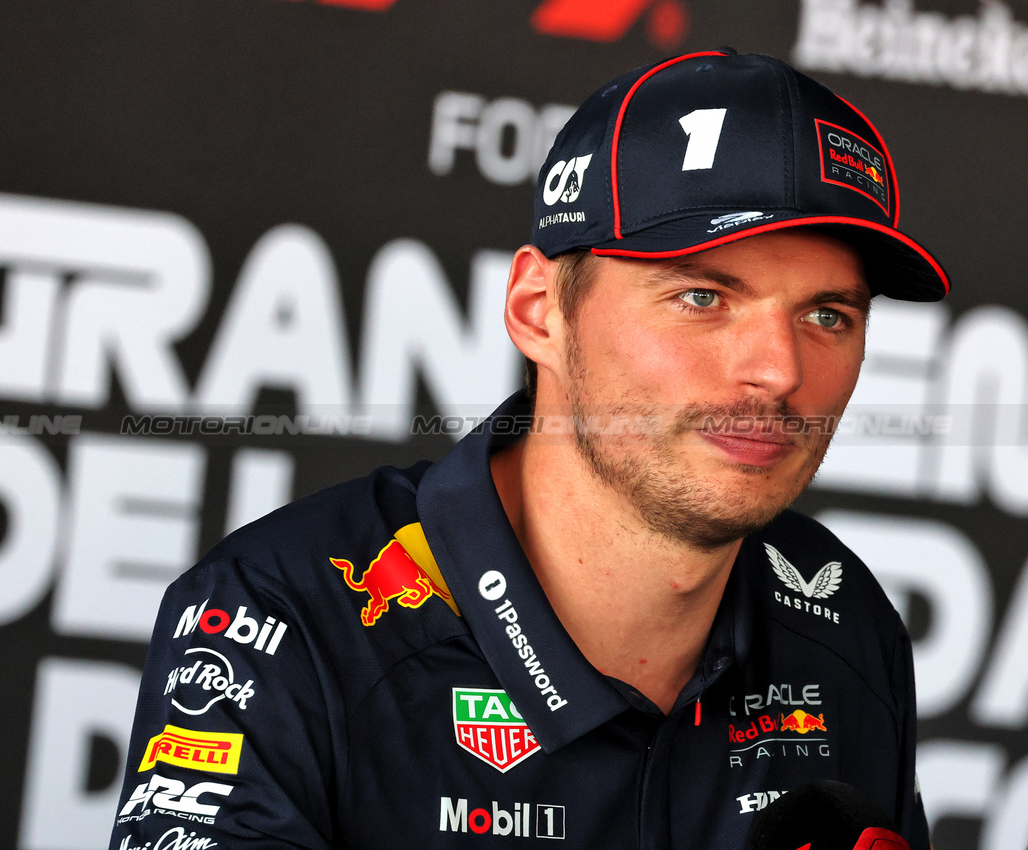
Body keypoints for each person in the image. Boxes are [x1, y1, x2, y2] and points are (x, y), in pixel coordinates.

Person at [108, 49, 947, 850]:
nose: (777, 369)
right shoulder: (284, 619)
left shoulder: (843, 622)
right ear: (538, 311)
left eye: (827, 315)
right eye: (700, 296)